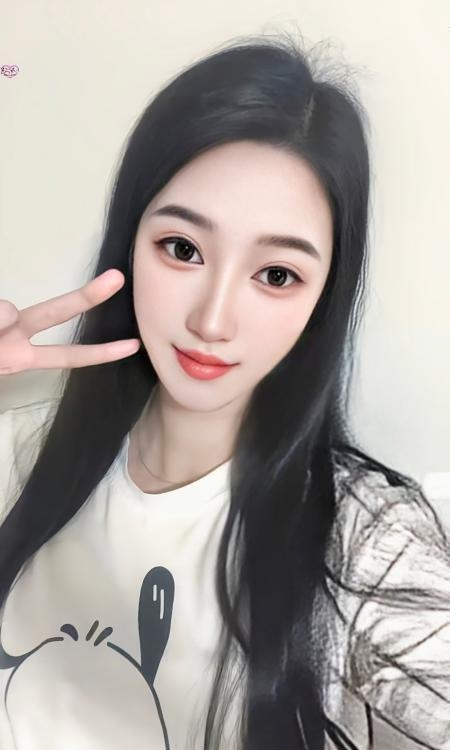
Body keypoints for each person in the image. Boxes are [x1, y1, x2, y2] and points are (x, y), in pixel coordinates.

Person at [0, 31, 449, 750]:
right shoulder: (17, 451)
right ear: (129, 244)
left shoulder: (368, 544)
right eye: (182, 249)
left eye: (276, 275)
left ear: (324, 296)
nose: (212, 321)